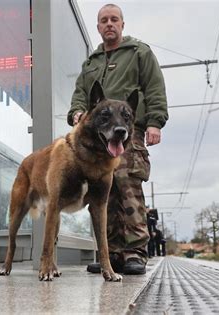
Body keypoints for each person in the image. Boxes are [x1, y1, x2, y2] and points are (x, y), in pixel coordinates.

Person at [68, 4, 168, 275]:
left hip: (128, 132)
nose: (109, 24)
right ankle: (110, 254)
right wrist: (77, 111)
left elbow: (154, 87)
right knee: (103, 192)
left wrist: (155, 122)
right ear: (98, 27)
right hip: (98, 138)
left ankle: (135, 252)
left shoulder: (139, 53)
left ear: (122, 24)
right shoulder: (91, 63)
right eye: (103, 20)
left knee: (127, 186)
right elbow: (81, 93)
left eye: (114, 19)